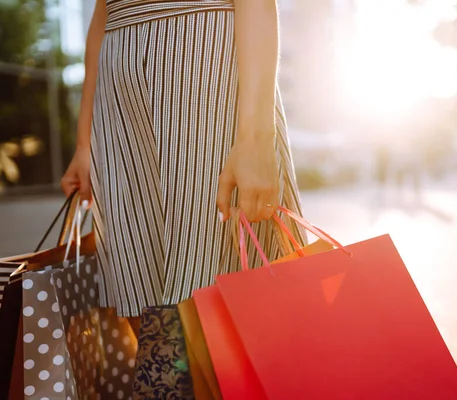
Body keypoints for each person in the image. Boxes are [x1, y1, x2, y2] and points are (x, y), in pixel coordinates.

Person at [60, 0, 307, 333]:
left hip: (204, 67)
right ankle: (173, 385)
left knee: (218, 299)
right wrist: (84, 143)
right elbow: (102, 12)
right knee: (142, 296)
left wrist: (255, 138)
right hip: (118, 93)